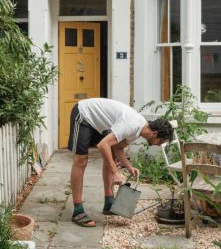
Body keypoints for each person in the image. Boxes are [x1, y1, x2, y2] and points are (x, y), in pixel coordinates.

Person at [67, 97, 173, 227]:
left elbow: (118, 147)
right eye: (160, 142)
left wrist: (128, 167)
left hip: (98, 121)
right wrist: (115, 171)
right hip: (84, 114)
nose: (158, 145)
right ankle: (77, 211)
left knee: (111, 154)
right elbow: (103, 145)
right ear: (155, 133)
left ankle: (109, 203)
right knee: (81, 160)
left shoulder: (139, 129)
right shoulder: (132, 125)